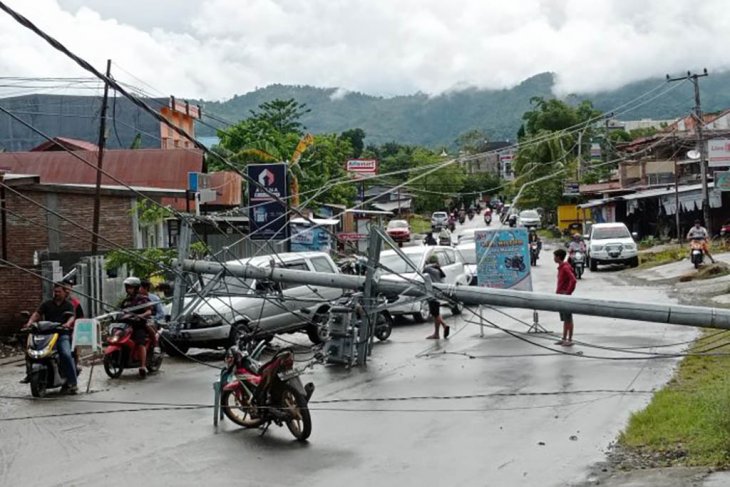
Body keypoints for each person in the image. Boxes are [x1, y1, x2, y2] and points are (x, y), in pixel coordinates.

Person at [22, 283, 78, 393]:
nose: (56, 294)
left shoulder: (68, 305)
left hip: (61, 334)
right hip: (46, 334)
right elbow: (37, 314)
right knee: (30, 351)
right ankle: (29, 374)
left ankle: (72, 382)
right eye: (55, 291)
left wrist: (67, 324)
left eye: (59, 292)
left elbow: (71, 316)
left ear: (64, 292)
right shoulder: (47, 304)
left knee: (66, 354)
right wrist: (29, 323)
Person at [120, 277, 154, 378]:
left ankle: (142, 366)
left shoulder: (143, 299)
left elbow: (149, 311)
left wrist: (141, 316)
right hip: (126, 326)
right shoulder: (126, 301)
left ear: (136, 288)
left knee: (140, 342)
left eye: (130, 287)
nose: (128, 289)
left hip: (139, 325)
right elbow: (120, 311)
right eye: (127, 287)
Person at [553, 249, 577, 346]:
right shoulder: (561, 267)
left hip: (564, 295)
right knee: (565, 318)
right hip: (560, 295)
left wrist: (568, 292)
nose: (553, 258)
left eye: (554, 256)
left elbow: (573, 280)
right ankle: (564, 338)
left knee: (568, 318)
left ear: (558, 257)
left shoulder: (565, 267)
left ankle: (569, 339)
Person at [423, 255, 450, 339]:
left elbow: (423, 270)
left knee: (435, 313)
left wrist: (426, 264)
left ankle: (444, 325)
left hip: (432, 293)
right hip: (439, 293)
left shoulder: (429, 269)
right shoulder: (439, 270)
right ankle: (436, 333)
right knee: (437, 314)